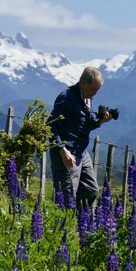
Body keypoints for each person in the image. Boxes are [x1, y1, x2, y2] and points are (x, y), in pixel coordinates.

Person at [48, 66, 112, 208]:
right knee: (66, 197)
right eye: (92, 89)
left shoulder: (87, 98)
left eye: (97, 90)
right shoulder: (67, 98)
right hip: (66, 152)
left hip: (81, 151)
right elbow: (51, 126)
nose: (94, 94)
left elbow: (83, 125)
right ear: (82, 82)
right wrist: (62, 151)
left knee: (91, 190)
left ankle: (79, 222)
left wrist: (100, 121)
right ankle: (63, 226)